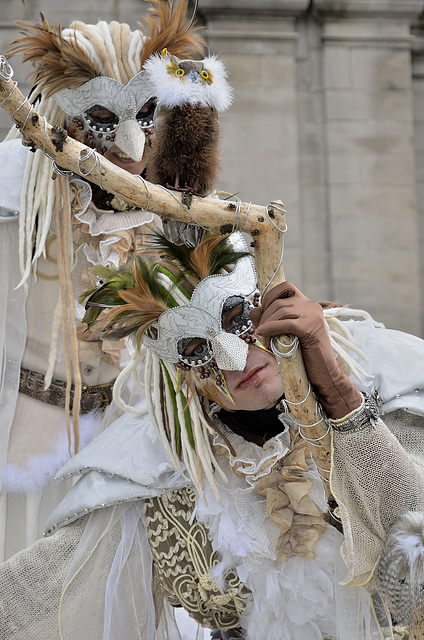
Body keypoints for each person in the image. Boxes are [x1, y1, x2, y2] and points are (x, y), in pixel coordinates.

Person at [0, 229, 423, 639]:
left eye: (237, 318)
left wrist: (337, 391)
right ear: (177, 377)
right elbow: (48, 593)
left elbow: (414, 543)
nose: (234, 359)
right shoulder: (163, 470)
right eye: (193, 349)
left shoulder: (390, 388)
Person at [0, 0, 206, 561]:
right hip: (29, 439)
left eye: (144, 117)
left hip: (132, 439)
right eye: (102, 121)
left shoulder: (167, 207)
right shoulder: (16, 198)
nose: (131, 146)